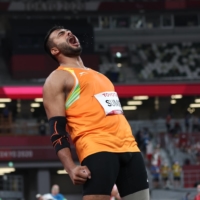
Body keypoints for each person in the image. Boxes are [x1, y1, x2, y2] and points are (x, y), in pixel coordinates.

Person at [43, 25, 149, 200]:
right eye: (61, 34)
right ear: (54, 50)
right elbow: (57, 130)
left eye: (69, 31)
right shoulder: (57, 78)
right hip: (98, 149)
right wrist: (70, 168)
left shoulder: (101, 76)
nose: (69, 32)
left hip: (130, 148)